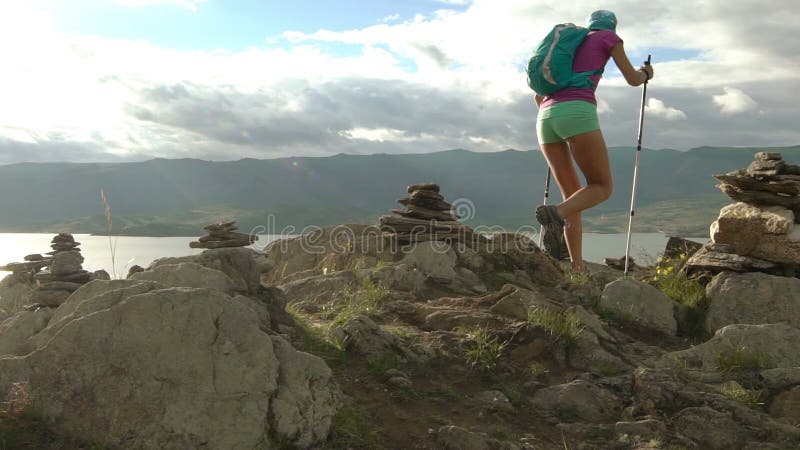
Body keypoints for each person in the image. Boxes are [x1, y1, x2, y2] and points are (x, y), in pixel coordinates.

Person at [534, 10, 653, 273]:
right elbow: (633, 80)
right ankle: (555, 215)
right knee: (601, 186)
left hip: (545, 116)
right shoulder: (608, 38)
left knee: (573, 197)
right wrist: (646, 74)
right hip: (577, 111)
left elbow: (537, 97)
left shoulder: (572, 43)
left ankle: (577, 267)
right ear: (610, 26)